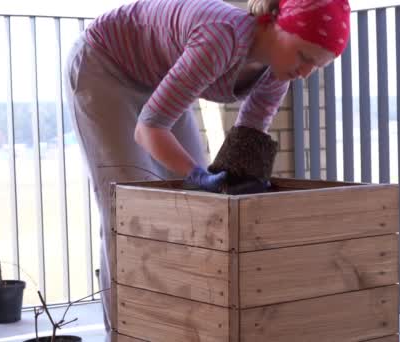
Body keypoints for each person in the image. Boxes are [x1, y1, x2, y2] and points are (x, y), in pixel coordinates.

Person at [64, 0, 351, 338]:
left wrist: (246, 191)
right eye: (303, 56)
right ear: (275, 24)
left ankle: (178, 327)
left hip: (156, 76)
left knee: (190, 206)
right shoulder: (221, 38)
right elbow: (150, 129)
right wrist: (198, 176)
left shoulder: (277, 73)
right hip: (105, 65)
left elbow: (248, 137)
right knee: (129, 209)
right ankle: (129, 332)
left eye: (315, 67)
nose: (304, 72)